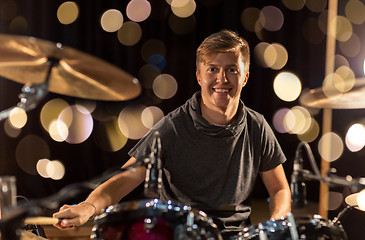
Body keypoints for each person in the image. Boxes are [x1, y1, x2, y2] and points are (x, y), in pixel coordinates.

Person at [53, 29, 291, 238]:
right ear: (199, 76)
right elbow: (127, 177)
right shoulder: (173, 127)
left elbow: (279, 188)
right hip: (184, 234)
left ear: (245, 77)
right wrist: (88, 206)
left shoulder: (257, 126)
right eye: (212, 69)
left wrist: (275, 224)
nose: (222, 78)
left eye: (232, 69)